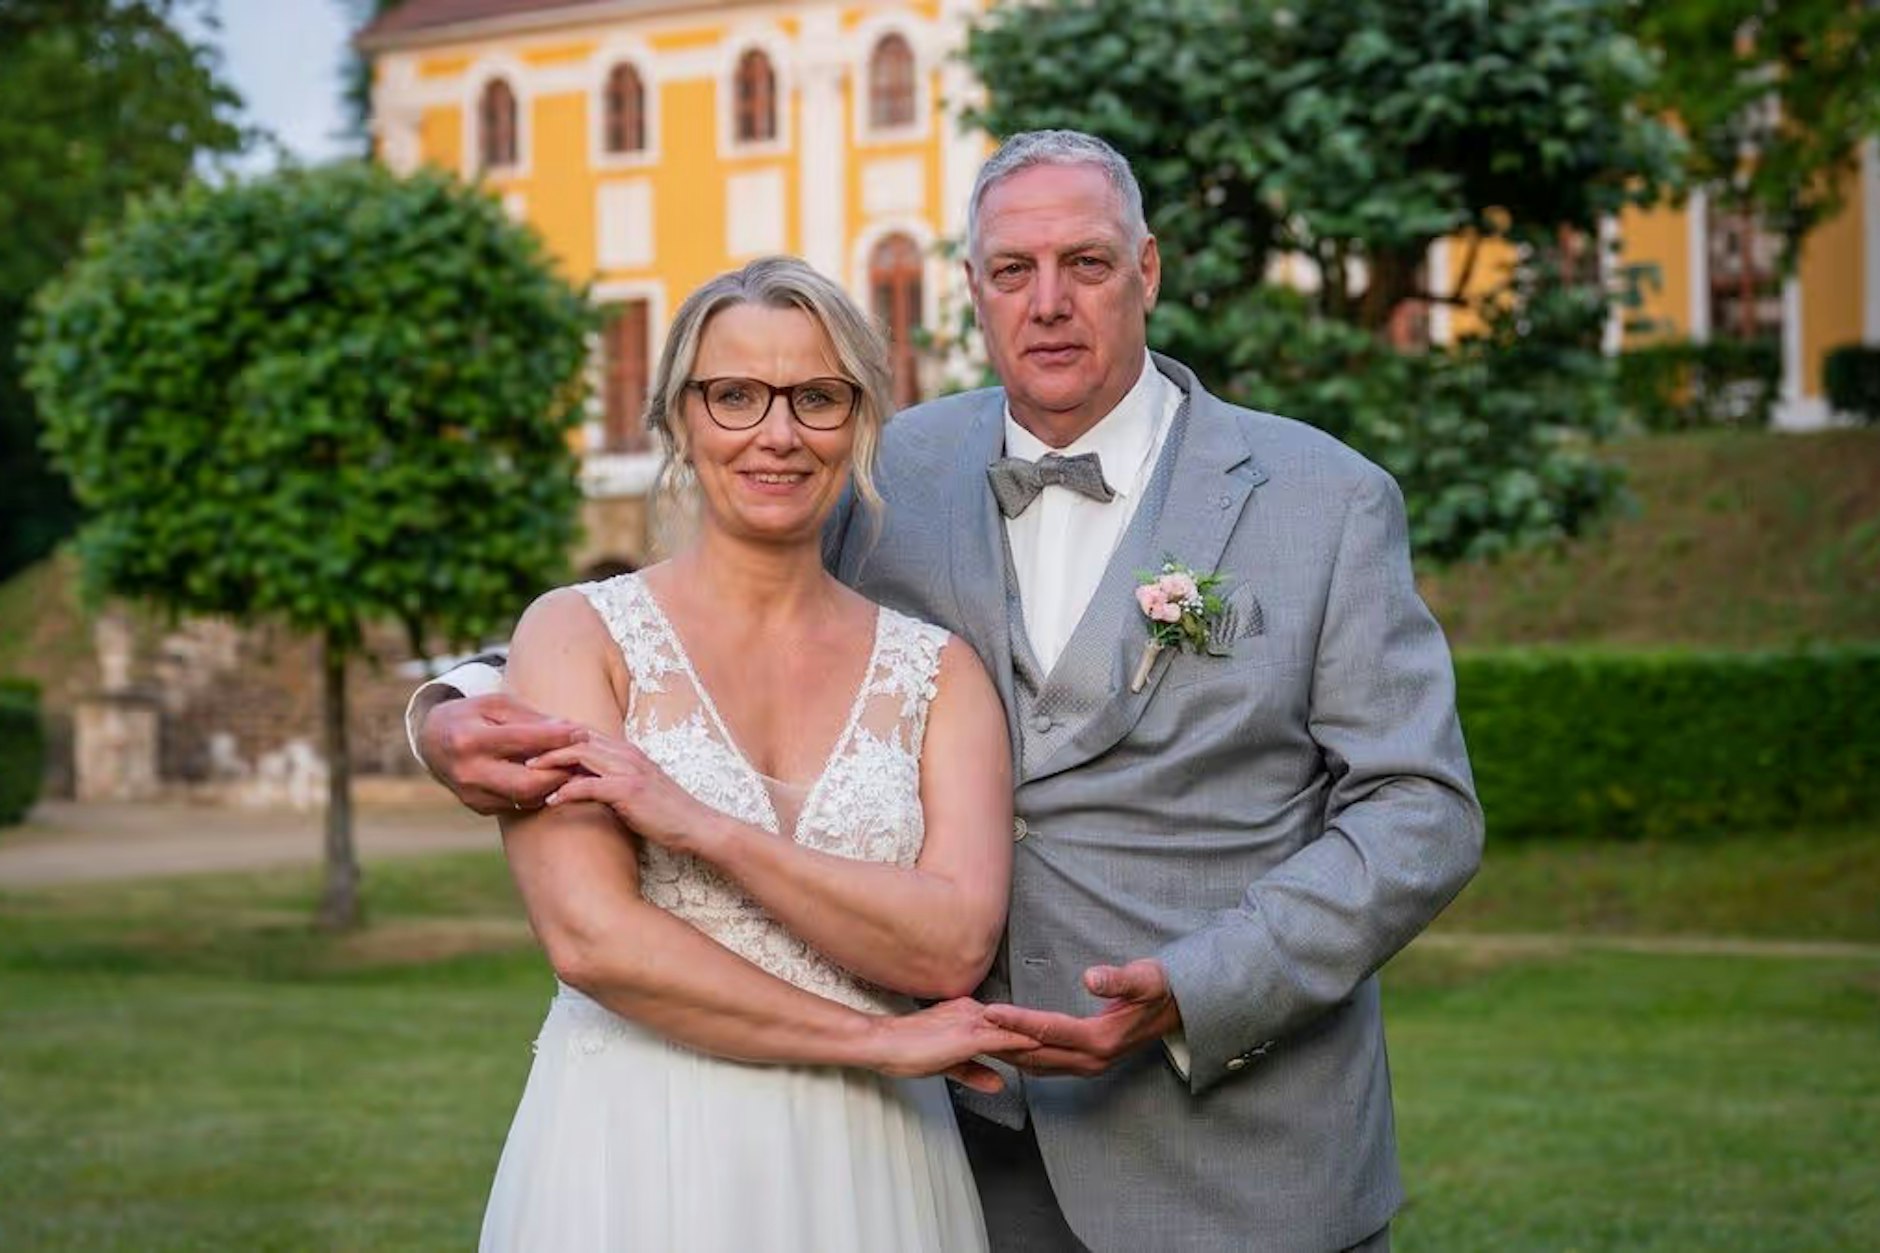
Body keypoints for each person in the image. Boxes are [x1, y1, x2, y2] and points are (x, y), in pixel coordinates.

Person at [415, 131, 1483, 1252]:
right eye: (1012, 271)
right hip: (955, 1147)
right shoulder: (888, 470)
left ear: (1148, 269)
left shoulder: (1324, 498)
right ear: (971, 286)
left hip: (1236, 1153)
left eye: (1087, 263)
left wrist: (1202, 984)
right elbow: (697, 610)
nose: (1048, 303)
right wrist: (448, 710)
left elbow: (1420, 809)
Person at [455, 256, 1036, 1252]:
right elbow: (593, 939)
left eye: (815, 396)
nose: (777, 433)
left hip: (876, 1160)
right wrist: (874, 1038)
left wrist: (704, 828)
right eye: (734, 395)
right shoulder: (575, 633)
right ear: (679, 417)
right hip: (637, 1142)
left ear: (857, 422)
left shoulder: (938, 670)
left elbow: (948, 944)